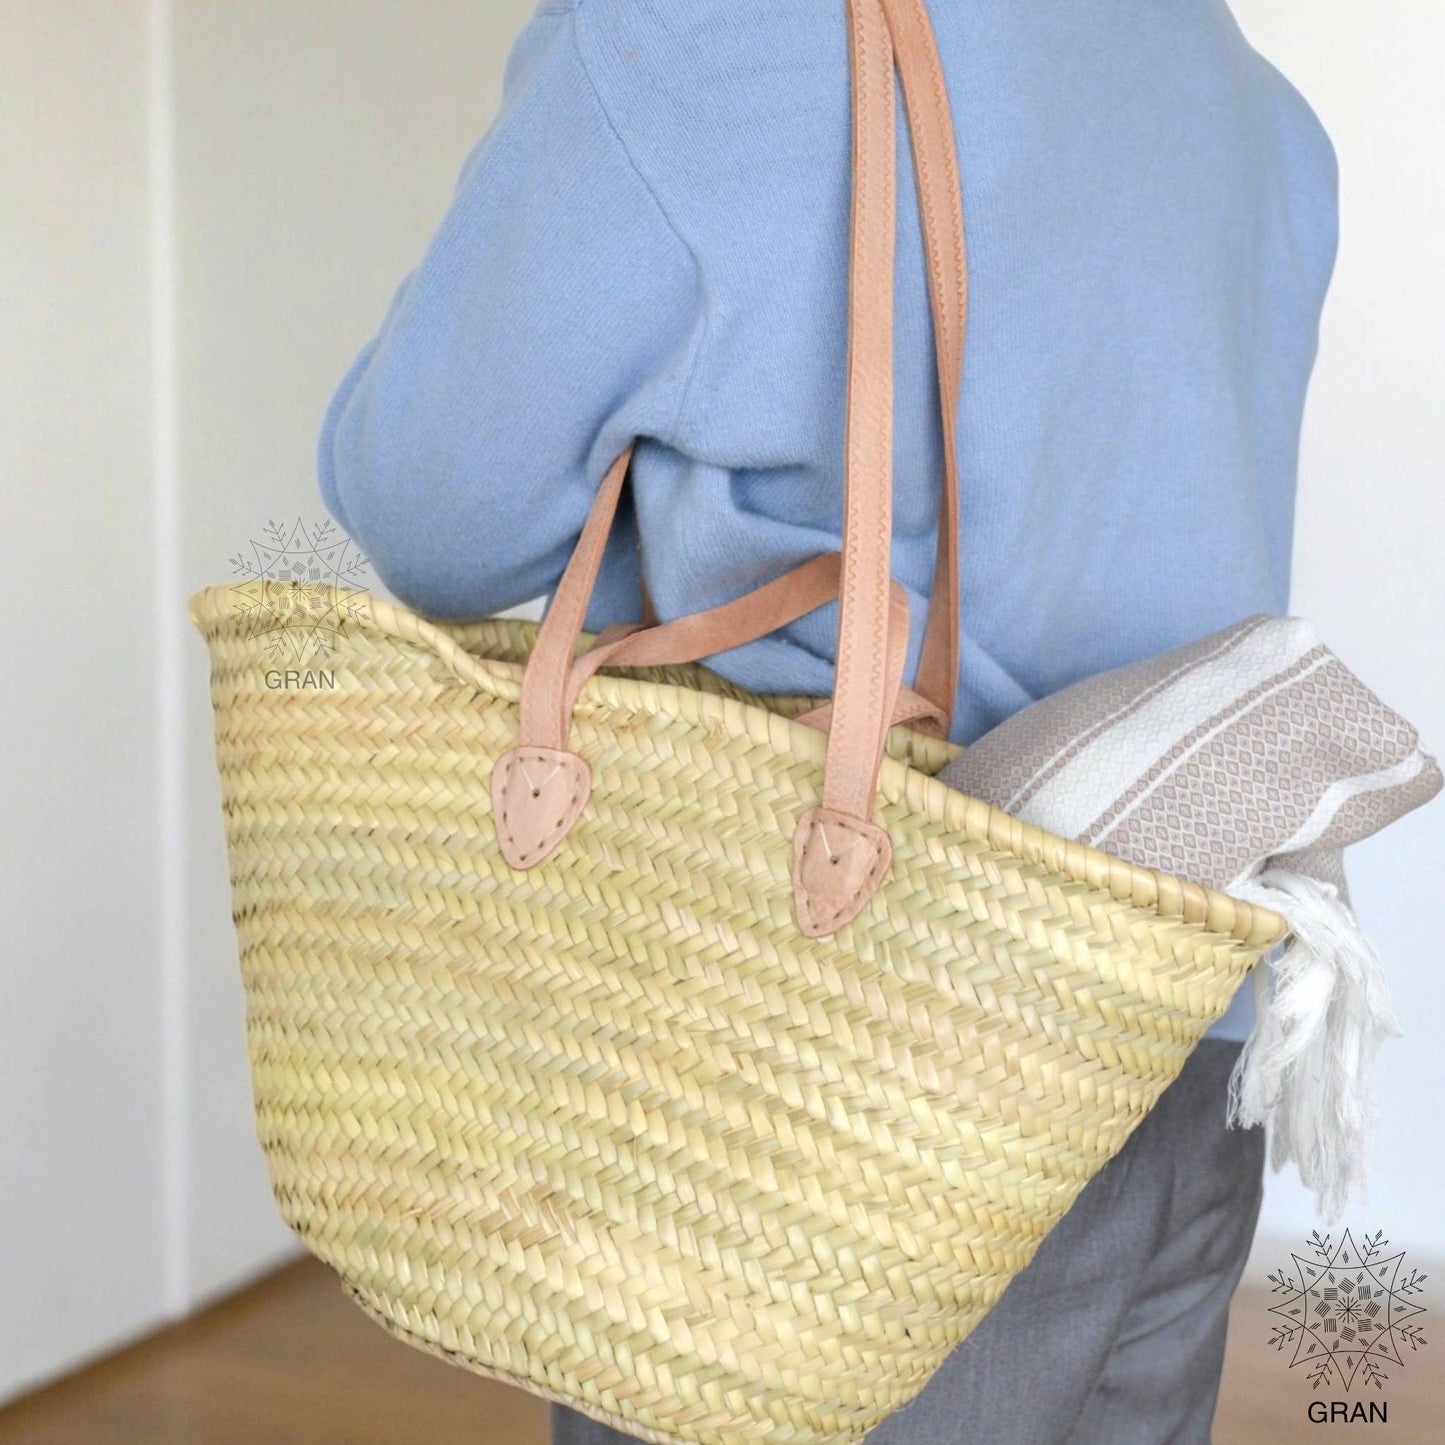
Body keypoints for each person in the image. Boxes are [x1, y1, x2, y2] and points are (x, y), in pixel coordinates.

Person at [316, 2, 1338, 1439]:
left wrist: (665, 549)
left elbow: (428, 504)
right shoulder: (1236, 85)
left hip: (831, 1056)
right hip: (1177, 1031)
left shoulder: (689, 42)